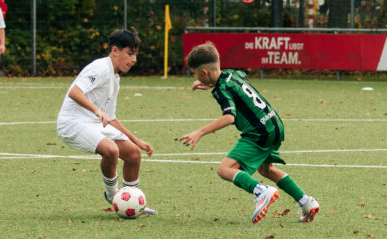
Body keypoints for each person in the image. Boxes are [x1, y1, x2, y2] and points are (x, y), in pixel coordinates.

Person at [179, 42, 319, 223]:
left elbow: (229, 117)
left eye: (195, 73)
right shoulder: (233, 73)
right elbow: (232, 85)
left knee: (224, 169)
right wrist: (206, 84)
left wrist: (199, 132)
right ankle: (306, 202)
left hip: (259, 133)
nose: (194, 76)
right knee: (266, 169)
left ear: (204, 72)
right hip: (274, 124)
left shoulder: (222, 90)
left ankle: (261, 191)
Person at [57, 29, 157, 215]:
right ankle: (113, 196)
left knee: (134, 153)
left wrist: (137, 141)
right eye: (130, 53)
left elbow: (110, 118)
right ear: (114, 50)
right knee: (111, 150)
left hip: (93, 123)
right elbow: (74, 92)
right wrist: (96, 110)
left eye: (136, 54)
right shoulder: (101, 67)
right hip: (73, 123)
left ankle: (132, 201)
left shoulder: (115, 78)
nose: (134, 59)